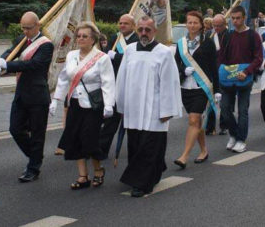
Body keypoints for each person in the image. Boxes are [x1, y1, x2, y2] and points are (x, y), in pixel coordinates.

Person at [116, 16, 182, 197]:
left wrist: (167, 110)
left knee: (150, 145)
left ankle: (142, 183)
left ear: (155, 31)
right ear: (137, 30)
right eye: (141, 30)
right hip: (133, 108)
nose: (144, 33)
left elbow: (169, 82)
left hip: (155, 108)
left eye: (148, 30)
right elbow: (121, 79)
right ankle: (150, 171)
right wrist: (121, 106)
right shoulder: (129, 51)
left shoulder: (164, 52)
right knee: (136, 144)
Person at [53, 22, 115, 189]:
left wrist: (109, 105)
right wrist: (56, 99)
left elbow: (108, 83)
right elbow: (64, 78)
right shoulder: (71, 55)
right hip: (74, 103)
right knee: (75, 138)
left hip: (92, 106)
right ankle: (83, 176)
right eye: (78, 36)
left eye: (84, 36)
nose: (80, 39)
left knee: (90, 139)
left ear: (93, 39)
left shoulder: (101, 58)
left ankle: (98, 170)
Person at [0, 12, 53, 182]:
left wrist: (8, 65)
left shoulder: (46, 45)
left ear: (37, 26)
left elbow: (34, 64)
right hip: (21, 94)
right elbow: (10, 52)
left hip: (37, 95)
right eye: (23, 28)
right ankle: (36, 156)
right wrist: (0, 61)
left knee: (37, 133)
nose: (25, 31)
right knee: (15, 129)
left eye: (29, 28)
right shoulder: (22, 39)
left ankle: (33, 168)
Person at [173, 11, 218, 169]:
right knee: (196, 122)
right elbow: (176, 64)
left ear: (201, 25)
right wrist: (182, 71)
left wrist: (217, 90)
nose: (192, 25)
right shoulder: (180, 44)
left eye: (195, 23)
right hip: (186, 87)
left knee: (193, 120)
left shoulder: (207, 43)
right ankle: (204, 150)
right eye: (189, 22)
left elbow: (214, 66)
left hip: (201, 87)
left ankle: (184, 156)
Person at [217, 6, 263, 153]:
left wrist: (247, 71)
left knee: (243, 110)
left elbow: (258, 58)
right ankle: (233, 134)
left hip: (244, 78)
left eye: (238, 18)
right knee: (225, 108)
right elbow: (221, 57)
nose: (235, 21)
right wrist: (220, 71)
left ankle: (241, 140)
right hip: (228, 78)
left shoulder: (253, 35)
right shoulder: (228, 35)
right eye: (233, 18)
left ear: (244, 18)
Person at [98, 14, 138, 158]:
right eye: (120, 23)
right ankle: (102, 150)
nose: (122, 26)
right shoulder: (115, 38)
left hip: (131, 85)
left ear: (133, 26)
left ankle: (136, 151)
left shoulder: (137, 40)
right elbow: (106, 56)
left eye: (125, 23)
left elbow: (136, 61)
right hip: (115, 83)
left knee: (132, 122)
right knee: (110, 120)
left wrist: (117, 57)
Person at [205, 14, 228, 136]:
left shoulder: (229, 35)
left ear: (224, 24)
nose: (216, 28)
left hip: (224, 71)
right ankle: (210, 126)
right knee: (211, 99)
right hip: (211, 71)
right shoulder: (208, 35)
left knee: (224, 101)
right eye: (215, 25)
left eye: (219, 26)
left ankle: (224, 125)